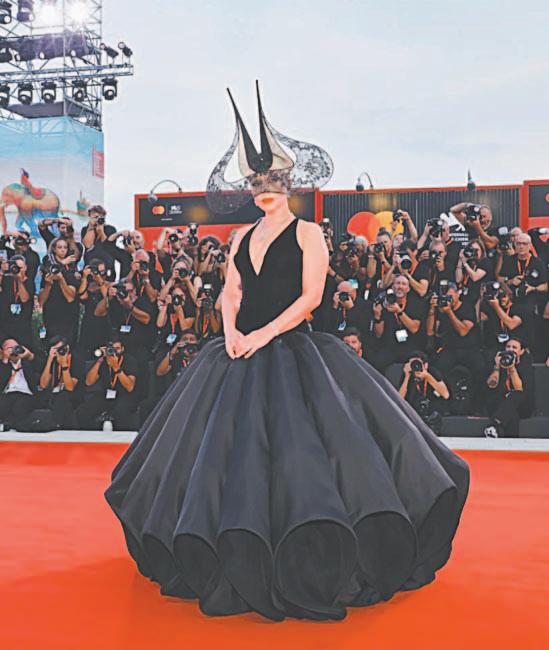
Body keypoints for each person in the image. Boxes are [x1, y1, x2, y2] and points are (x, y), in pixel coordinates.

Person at [104, 84, 469, 622]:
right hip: (235, 351)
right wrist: (231, 330)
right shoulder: (238, 238)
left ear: (290, 184)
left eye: (272, 180)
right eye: (255, 182)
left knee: (303, 453)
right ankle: (226, 550)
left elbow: (312, 298)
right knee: (217, 456)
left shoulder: (308, 233)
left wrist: (262, 335)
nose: (263, 189)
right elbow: (230, 291)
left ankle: (305, 552)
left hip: (294, 350)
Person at [76, 338, 138, 430]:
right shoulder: (104, 361)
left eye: (117, 349)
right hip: (106, 394)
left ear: (122, 349)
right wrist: (99, 361)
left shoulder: (129, 360)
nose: (114, 352)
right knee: (83, 411)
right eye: (111, 349)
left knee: (121, 411)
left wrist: (116, 367)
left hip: (124, 394)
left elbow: (130, 387)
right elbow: (89, 382)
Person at [483, 337, 534, 438]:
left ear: (521, 351)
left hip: (522, 405)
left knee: (516, 395)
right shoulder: (497, 361)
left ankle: (495, 424)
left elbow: (519, 389)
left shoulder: (525, 364)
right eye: (508, 346)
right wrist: (497, 367)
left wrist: (512, 368)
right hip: (501, 405)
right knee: (512, 415)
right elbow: (491, 385)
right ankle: (510, 442)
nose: (510, 349)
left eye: (514, 347)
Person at [38, 238, 79, 344]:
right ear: (54, 249)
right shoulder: (47, 266)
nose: (63, 250)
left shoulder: (71, 268)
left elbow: (70, 298)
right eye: (59, 247)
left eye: (65, 247)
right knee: (51, 343)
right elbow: (41, 301)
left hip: (68, 313)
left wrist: (61, 279)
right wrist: (48, 284)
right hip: (51, 312)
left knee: (69, 343)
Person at [37, 337, 82, 429]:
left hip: (73, 395)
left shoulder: (76, 360)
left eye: (61, 348)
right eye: (56, 349)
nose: (59, 351)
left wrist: (64, 364)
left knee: (63, 397)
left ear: (67, 348)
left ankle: (57, 425)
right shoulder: (53, 360)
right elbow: (43, 385)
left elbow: (70, 388)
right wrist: (49, 360)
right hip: (53, 394)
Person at [0, 338, 36, 429]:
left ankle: (8, 424)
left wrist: (30, 355)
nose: (13, 350)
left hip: (25, 393)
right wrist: (5, 360)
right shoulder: (3, 365)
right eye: (10, 348)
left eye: (15, 347)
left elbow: (41, 363)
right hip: (7, 394)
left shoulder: (27, 362)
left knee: (19, 408)